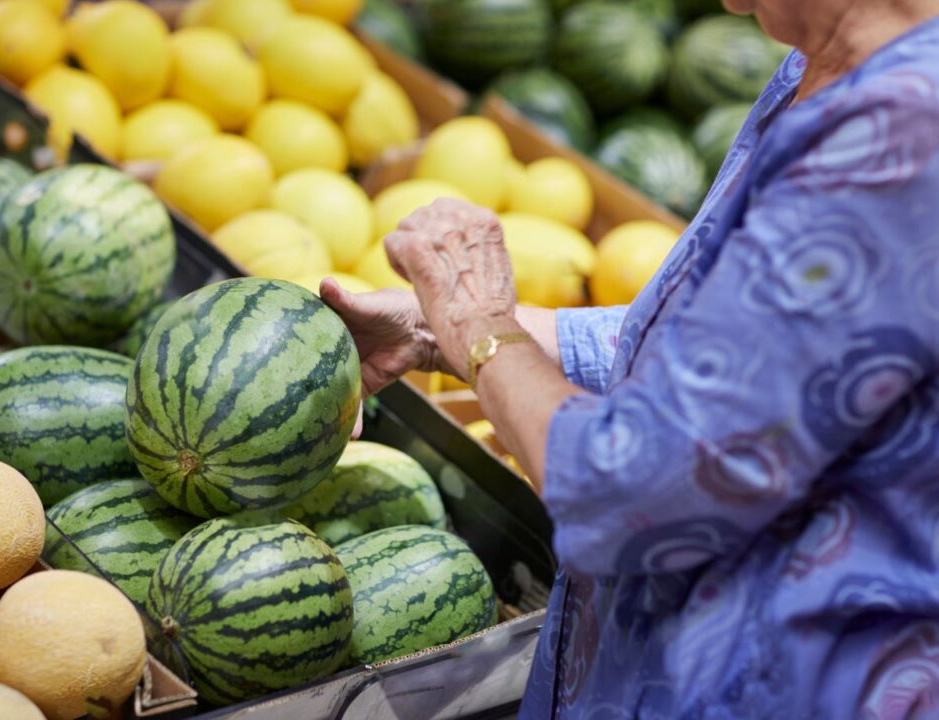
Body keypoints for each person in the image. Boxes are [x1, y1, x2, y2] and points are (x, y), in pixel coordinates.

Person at [321, 0, 939, 716]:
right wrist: (438, 331)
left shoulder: (901, 145)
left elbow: (637, 492)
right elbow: (724, 361)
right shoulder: (816, 66)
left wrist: (480, 325)